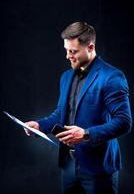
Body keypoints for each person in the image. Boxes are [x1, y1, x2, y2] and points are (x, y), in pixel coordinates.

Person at [25, 21, 132, 194]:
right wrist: (38, 125)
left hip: (99, 169)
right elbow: (61, 114)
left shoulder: (112, 77)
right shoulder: (66, 77)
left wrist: (86, 134)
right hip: (69, 166)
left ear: (90, 47)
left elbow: (124, 122)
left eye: (73, 51)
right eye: (66, 50)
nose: (67, 56)